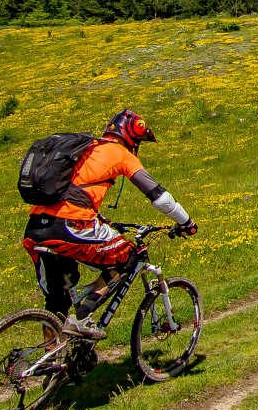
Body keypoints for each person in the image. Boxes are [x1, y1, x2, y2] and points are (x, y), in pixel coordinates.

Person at [22, 110, 197, 340]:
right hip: (72, 223)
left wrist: (100, 219)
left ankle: (53, 362)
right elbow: (159, 196)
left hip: (36, 227)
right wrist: (186, 222)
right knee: (128, 257)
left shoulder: (86, 149)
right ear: (132, 138)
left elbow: (73, 192)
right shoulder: (120, 153)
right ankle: (83, 317)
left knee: (57, 300)